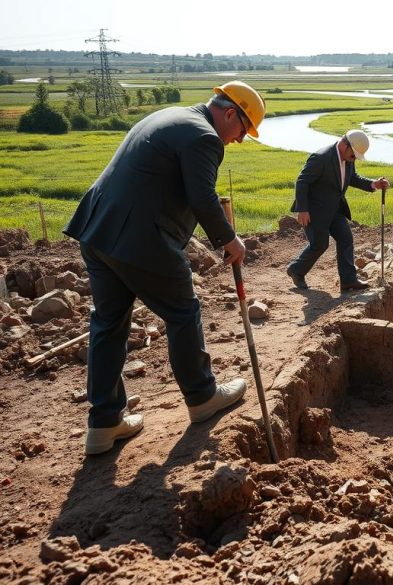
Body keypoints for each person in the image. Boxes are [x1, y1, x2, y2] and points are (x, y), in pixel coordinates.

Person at [63, 81, 266, 456]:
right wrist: (230, 240)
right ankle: (203, 397)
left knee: (109, 323)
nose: (238, 140)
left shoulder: (171, 117)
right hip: (140, 237)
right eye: (242, 130)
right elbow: (202, 197)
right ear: (230, 113)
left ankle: (104, 423)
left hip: (98, 231)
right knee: (183, 312)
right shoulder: (204, 136)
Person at [286, 130, 389, 291]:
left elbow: (352, 178)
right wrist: (303, 209)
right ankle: (296, 270)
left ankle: (348, 280)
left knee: (346, 238)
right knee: (320, 245)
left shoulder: (348, 159)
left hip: (335, 208)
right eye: (354, 155)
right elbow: (302, 181)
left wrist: (373, 184)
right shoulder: (321, 158)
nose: (354, 159)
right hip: (315, 210)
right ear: (344, 145)